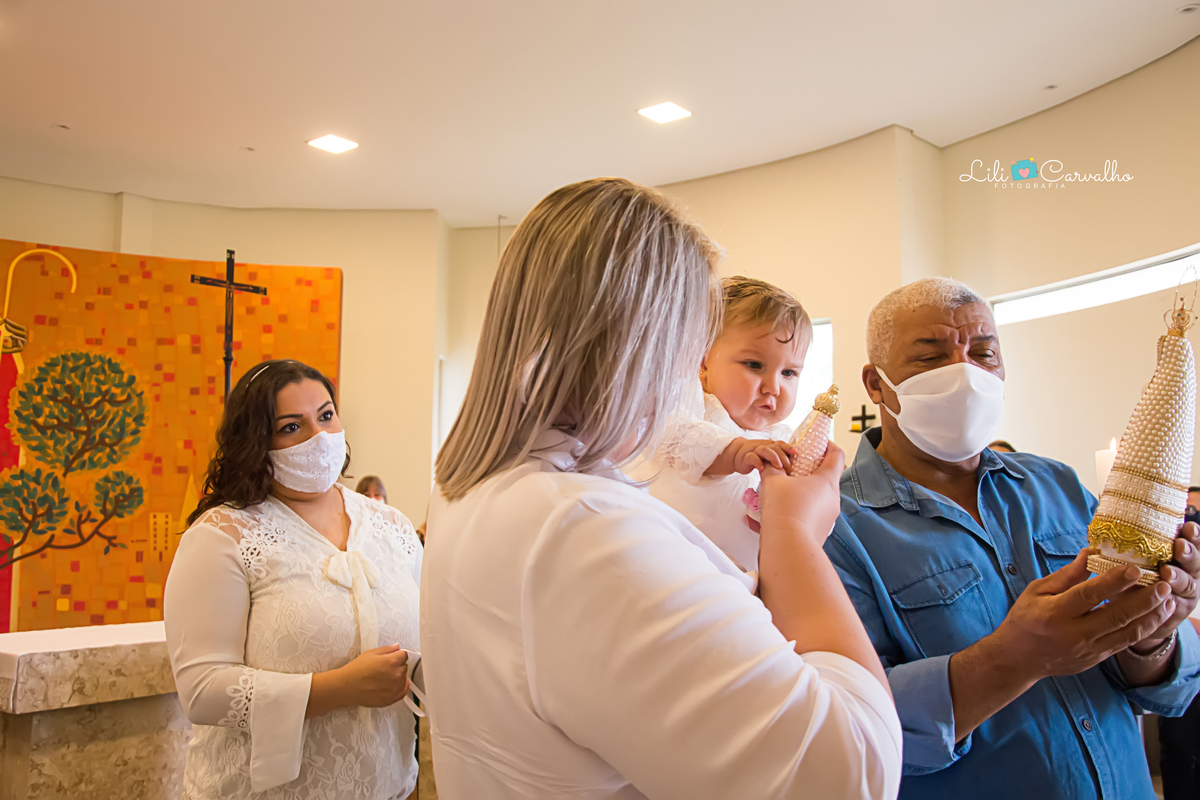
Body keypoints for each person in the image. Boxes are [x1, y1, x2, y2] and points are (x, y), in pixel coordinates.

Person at [421, 178, 902, 799]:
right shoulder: (584, 530)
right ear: (644, 344)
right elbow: (850, 774)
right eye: (689, 344)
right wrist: (795, 533)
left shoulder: (473, 489)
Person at [824, 278, 1200, 799]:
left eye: (982, 353)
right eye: (932, 358)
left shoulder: (1059, 487)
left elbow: (1159, 686)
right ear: (875, 383)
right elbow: (845, 730)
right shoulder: (832, 526)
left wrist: (1156, 631)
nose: (966, 375)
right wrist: (1014, 658)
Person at [164, 359, 423, 799]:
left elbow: (430, 635)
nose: (319, 438)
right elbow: (202, 690)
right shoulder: (223, 536)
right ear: (256, 442)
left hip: (387, 785)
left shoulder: (392, 527)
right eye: (291, 427)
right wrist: (338, 688)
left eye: (326, 415)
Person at [634, 276, 809, 572]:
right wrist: (737, 452)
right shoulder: (686, 410)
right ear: (702, 363)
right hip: (674, 567)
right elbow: (677, 440)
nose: (774, 387)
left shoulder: (784, 438)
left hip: (751, 579)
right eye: (754, 365)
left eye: (789, 373)